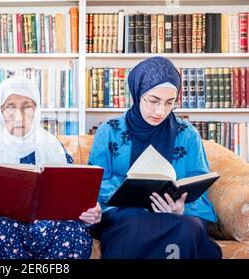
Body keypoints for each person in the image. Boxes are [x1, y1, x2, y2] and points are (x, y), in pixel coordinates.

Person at [88, 56, 222, 259]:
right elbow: (94, 183)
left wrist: (181, 209)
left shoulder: (188, 134)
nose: (160, 111)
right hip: (125, 215)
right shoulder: (109, 131)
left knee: (190, 229)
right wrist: (127, 194)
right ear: (137, 92)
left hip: (177, 217)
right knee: (133, 223)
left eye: (169, 103)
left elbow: (199, 188)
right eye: (153, 101)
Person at [0, 76, 101, 259]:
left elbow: (74, 196)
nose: (18, 115)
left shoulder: (54, 145)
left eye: (27, 106)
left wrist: (89, 211)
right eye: (10, 106)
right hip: (2, 222)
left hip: (47, 224)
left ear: (36, 110)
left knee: (73, 229)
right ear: (0, 110)